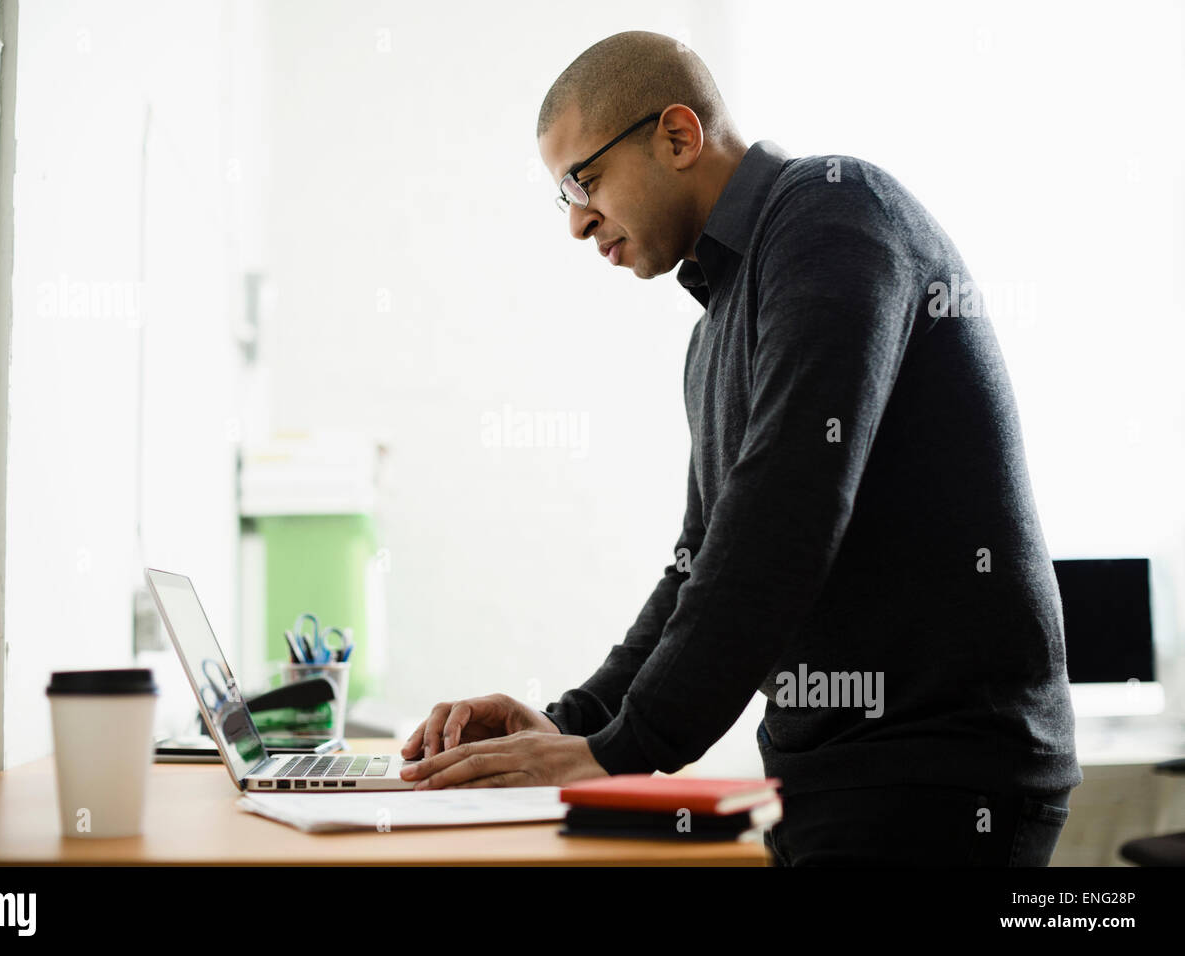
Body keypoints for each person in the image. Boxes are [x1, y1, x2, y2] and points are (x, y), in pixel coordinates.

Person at [398, 30, 1081, 866]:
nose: (577, 222)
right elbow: (704, 560)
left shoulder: (832, 210)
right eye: (562, 197)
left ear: (677, 136)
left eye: (585, 181)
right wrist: (573, 725)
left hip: (936, 773)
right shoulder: (716, 327)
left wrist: (622, 750)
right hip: (830, 777)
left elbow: (785, 508)